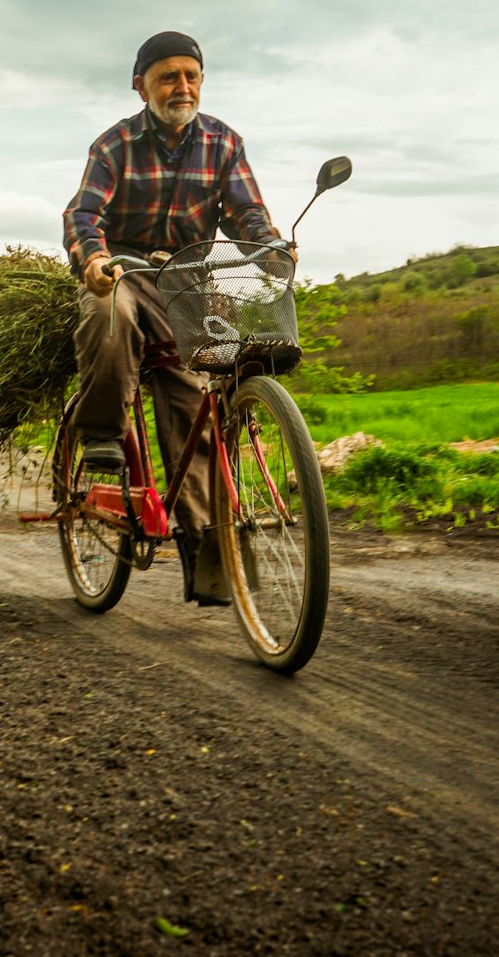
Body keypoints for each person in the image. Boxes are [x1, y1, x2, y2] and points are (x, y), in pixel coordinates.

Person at [62, 30, 285, 604]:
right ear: (141, 85)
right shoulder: (114, 146)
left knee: (198, 422)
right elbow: (83, 213)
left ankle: (207, 552)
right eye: (168, 76)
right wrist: (94, 259)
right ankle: (102, 435)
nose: (181, 86)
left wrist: (270, 244)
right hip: (126, 274)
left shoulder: (223, 142)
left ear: (202, 81)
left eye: (191, 75)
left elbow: (247, 212)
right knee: (108, 318)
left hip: (189, 286)